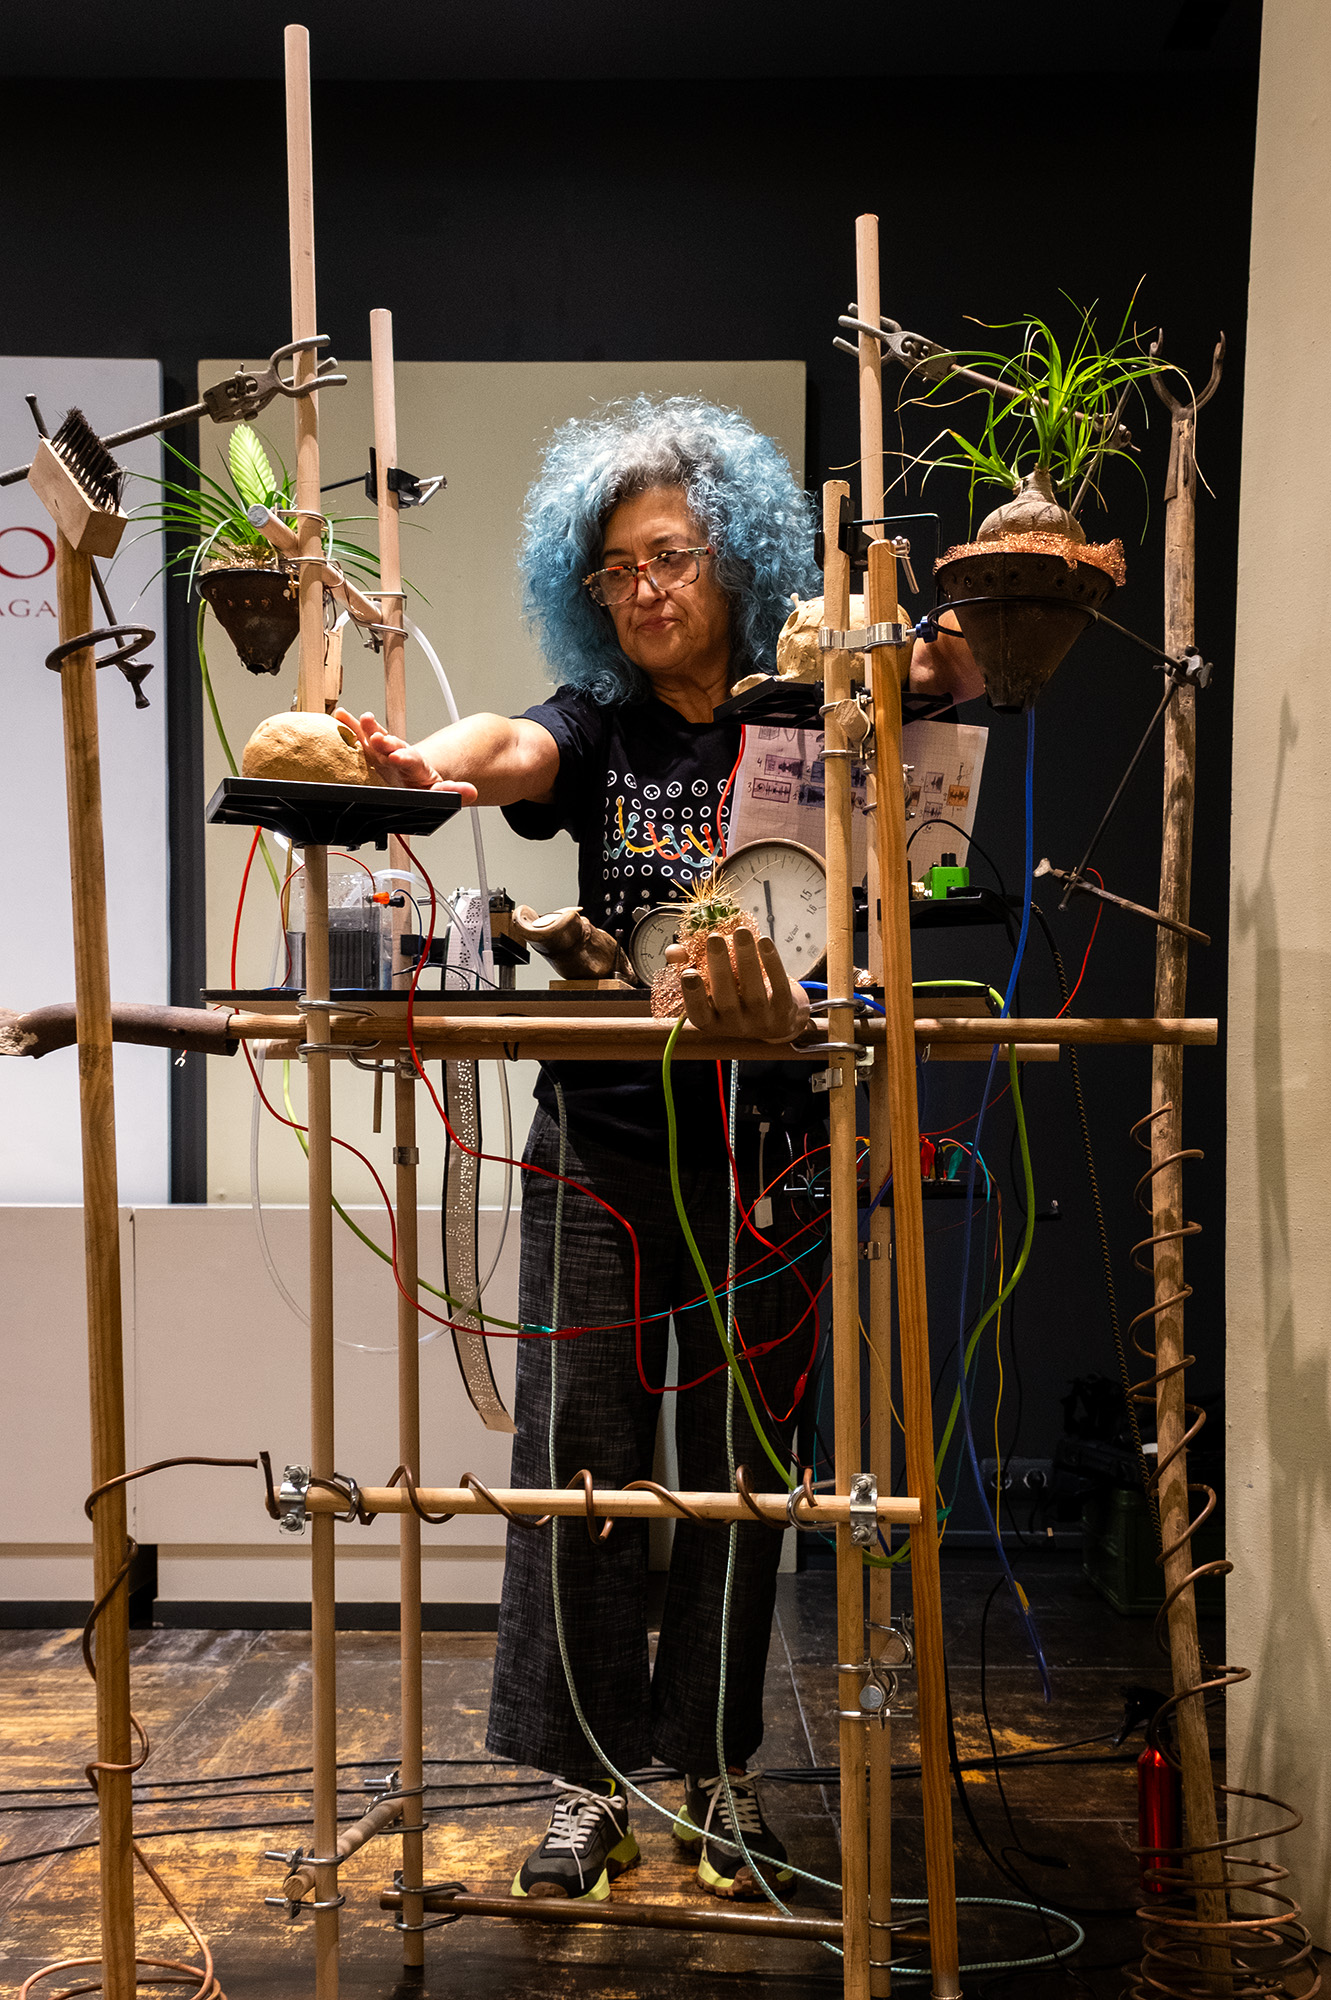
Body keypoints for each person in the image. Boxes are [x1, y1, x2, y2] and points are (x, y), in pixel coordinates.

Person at [340, 396, 980, 1905]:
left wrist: (935, 652)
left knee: (747, 1477)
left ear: (734, 556)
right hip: (601, 1143)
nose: (643, 589)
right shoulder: (603, 723)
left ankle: (715, 1772)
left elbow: (949, 700)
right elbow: (508, 746)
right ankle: (587, 1788)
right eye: (617, 568)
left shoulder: (810, 709)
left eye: (670, 557)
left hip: (770, 1146)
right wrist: (416, 765)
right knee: (580, 1465)